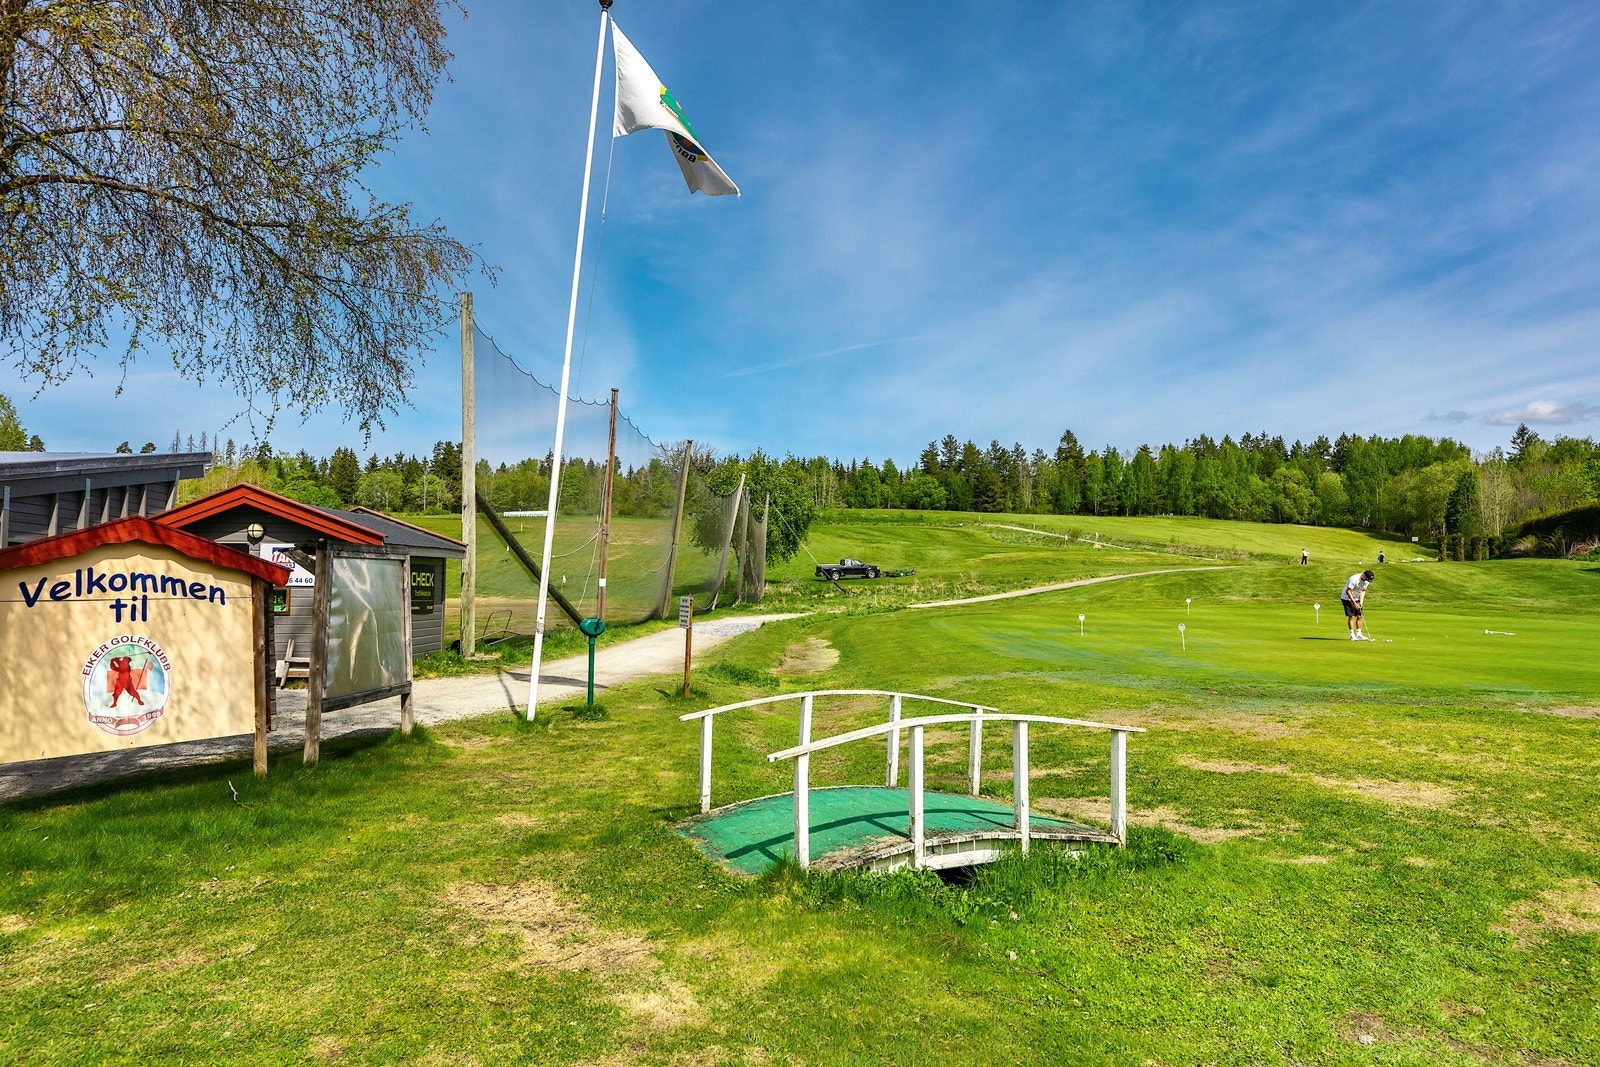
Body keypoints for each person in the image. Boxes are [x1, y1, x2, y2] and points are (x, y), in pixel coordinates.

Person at [1341, 570, 1375, 641]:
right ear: (1363, 575)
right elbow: (1348, 591)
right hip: (1347, 598)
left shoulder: (1367, 581)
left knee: (1359, 616)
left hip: (1357, 597)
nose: (1367, 581)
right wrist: (1354, 603)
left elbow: (1363, 591)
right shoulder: (1354, 579)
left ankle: (1359, 634)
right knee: (1351, 616)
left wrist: (1361, 602)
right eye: (1366, 578)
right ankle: (1352, 635)